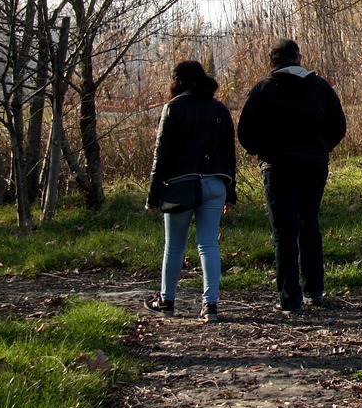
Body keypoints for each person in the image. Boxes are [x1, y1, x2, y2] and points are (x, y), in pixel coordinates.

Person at [237, 39, 346, 314]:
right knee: (309, 223)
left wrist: (262, 152)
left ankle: (289, 298)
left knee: (284, 232)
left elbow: (246, 134)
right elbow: (339, 126)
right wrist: (321, 148)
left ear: (271, 63)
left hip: (277, 167)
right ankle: (315, 290)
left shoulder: (263, 90)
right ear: (299, 58)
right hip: (314, 165)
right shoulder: (320, 87)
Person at [144, 60, 237, 322]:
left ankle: (167, 299)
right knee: (208, 244)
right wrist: (230, 191)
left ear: (178, 82)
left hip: (180, 185)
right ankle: (210, 305)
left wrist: (153, 194)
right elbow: (229, 153)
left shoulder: (173, 108)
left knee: (174, 246)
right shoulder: (219, 109)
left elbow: (161, 154)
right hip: (215, 183)